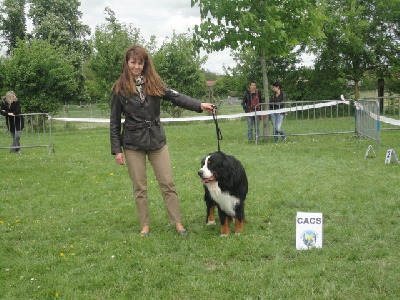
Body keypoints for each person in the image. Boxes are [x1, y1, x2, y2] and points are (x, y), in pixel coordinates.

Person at [110, 45, 216, 237]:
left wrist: (199, 105)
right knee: (139, 187)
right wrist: (117, 149)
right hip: (132, 143)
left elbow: (178, 98)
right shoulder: (120, 89)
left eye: (140, 62)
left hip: (157, 140)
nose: (136, 66)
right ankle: (145, 225)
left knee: (168, 183)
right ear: (127, 63)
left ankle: (177, 223)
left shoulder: (155, 83)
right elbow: (114, 122)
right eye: (133, 62)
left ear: (145, 64)